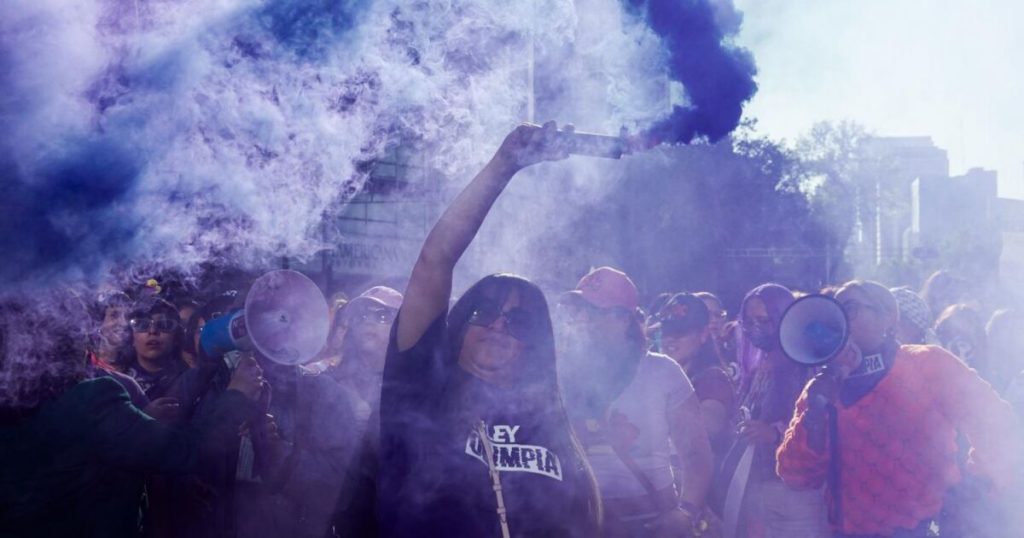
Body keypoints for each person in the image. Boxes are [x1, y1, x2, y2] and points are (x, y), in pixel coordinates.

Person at [377, 122, 601, 537]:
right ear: (460, 324)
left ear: (532, 345)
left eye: (518, 322)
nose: (499, 324)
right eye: (485, 312)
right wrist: (504, 165)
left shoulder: (546, 418)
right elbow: (435, 260)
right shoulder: (421, 387)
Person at [0, 294, 265, 537]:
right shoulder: (92, 400)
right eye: (78, 332)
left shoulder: (13, 401)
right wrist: (238, 395)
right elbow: (188, 450)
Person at [777, 280, 1022, 537]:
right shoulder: (822, 389)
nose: (840, 320)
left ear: (889, 317)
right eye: (834, 310)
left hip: (924, 528)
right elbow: (796, 476)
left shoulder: (928, 363)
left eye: (850, 308)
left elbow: (997, 424)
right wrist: (814, 413)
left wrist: (977, 486)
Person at [558, 271, 714, 537]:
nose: (582, 319)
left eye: (593, 311)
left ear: (622, 319)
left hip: (651, 522)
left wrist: (686, 512)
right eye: (580, 310)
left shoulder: (662, 372)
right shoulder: (560, 372)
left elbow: (696, 453)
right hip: (581, 522)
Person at [719, 283, 827, 538]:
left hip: (795, 490)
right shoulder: (758, 361)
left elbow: (821, 425)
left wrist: (776, 434)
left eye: (765, 320)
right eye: (749, 321)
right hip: (757, 483)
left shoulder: (806, 360)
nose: (756, 328)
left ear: (784, 318)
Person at [654, 292, 734, 462]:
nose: (671, 339)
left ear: (703, 334)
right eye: (666, 332)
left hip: (703, 481)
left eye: (680, 332)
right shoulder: (670, 375)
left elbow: (709, 425)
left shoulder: (713, 378)